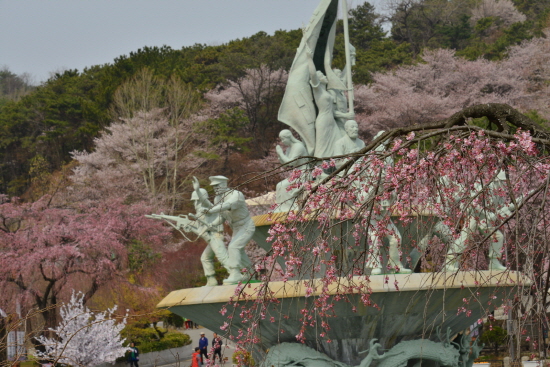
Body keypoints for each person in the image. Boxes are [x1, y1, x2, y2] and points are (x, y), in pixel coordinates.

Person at [193, 176, 255, 284]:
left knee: (233, 247)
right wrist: (211, 224)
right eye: (213, 186)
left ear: (224, 184)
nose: (215, 188)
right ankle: (249, 273)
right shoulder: (217, 198)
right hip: (235, 227)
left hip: (246, 225)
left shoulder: (236, 195)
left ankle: (235, 273)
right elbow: (222, 216)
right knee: (239, 250)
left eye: (217, 185)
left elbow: (226, 206)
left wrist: (210, 211)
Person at [275, 129, 308, 212]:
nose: (282, 141)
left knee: (283, 186)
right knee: (279, 185)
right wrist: (280, 155)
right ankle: (283, 207)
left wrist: (281, 153)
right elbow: (287, 164)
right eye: (281, 139)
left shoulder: (298, 146)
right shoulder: (289, 149)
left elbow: (291, 162)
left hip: (304, 173)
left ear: (289, 137)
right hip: (296, 174)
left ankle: (290, 208)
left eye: (283, 139)